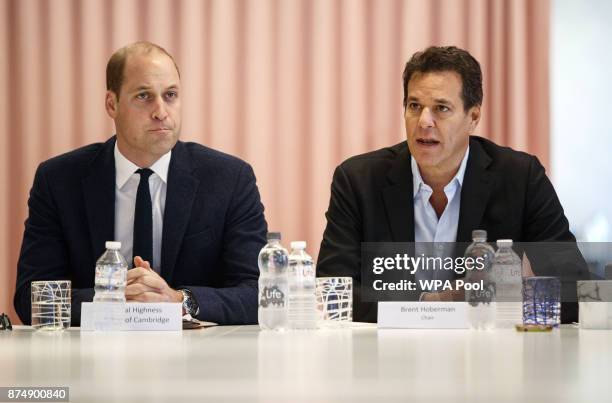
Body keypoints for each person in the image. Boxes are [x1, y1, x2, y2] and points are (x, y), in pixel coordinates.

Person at [317, 46, 585, 323]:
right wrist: (428, 304)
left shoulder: (520, 177)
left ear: (473, 117)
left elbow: (574, 288)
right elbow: (333, 293)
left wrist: (501, 301)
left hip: (484, 353)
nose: (424, 122)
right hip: (389, 353)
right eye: (414, 106)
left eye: (441, 108)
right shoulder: (358, 180)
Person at [14, 42, 267, 326]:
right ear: (112, 104)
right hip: (92, 358)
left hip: (199, 358)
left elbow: (259, 294)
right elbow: (32, 297)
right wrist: (113, 299)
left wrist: (179, 301)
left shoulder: (229, 179)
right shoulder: (59, 180)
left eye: (170, 95)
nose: (161, 111)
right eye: (144, 96)